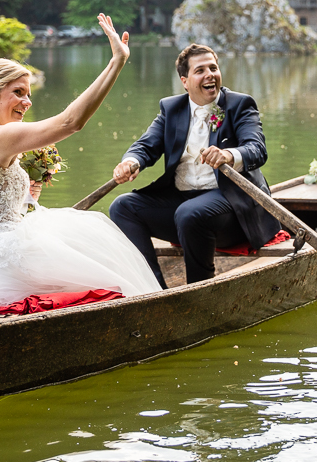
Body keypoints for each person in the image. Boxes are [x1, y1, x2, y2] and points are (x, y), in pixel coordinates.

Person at [0, 14, 161, 308]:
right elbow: (70, 122)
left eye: (29, 94)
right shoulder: (0, 136)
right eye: (18, 93)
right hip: (1, 268)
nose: (27, 102)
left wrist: (20, 201)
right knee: (99, 251)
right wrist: (116, 63)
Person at [109, 43, 280, 288]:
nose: (210, 74)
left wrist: (229, 155)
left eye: (213, 68)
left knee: (190, 213)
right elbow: (147, 145)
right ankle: (154, 289)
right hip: (183, 203)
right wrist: (130, 162)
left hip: (232, 208)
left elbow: (257, 149)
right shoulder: (171, 109)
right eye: (200, 70)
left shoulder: (239, 105)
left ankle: (199, 291)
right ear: (185, 81)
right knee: (122, 207)